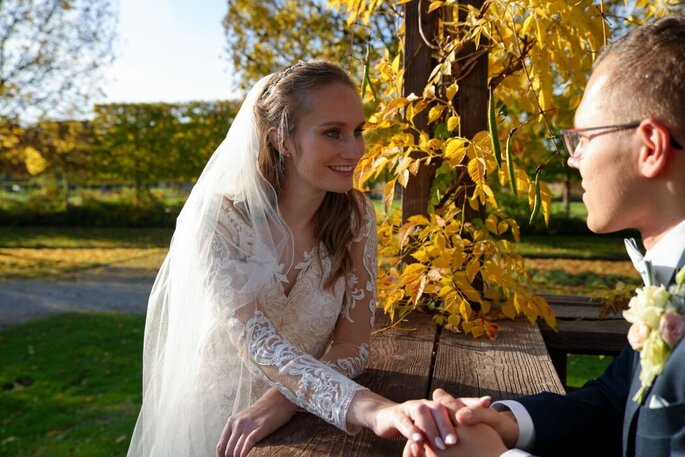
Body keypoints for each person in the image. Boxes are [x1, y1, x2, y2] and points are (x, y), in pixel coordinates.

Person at [127, 59, 463, 457]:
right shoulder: (219, 222)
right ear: (280, 140)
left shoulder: (356, 217)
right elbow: (256, 342)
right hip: (221, 423)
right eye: (332, 132)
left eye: (357, 131)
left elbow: (354, 344)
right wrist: (372, 409)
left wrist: (284, 400)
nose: (354, 149)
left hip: (308, 416)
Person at [403, 12, 685, 457]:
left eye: (584, 138)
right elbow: (615, 404)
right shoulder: (672, 281)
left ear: (650, 147)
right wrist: (507, 424)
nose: (573, 159)